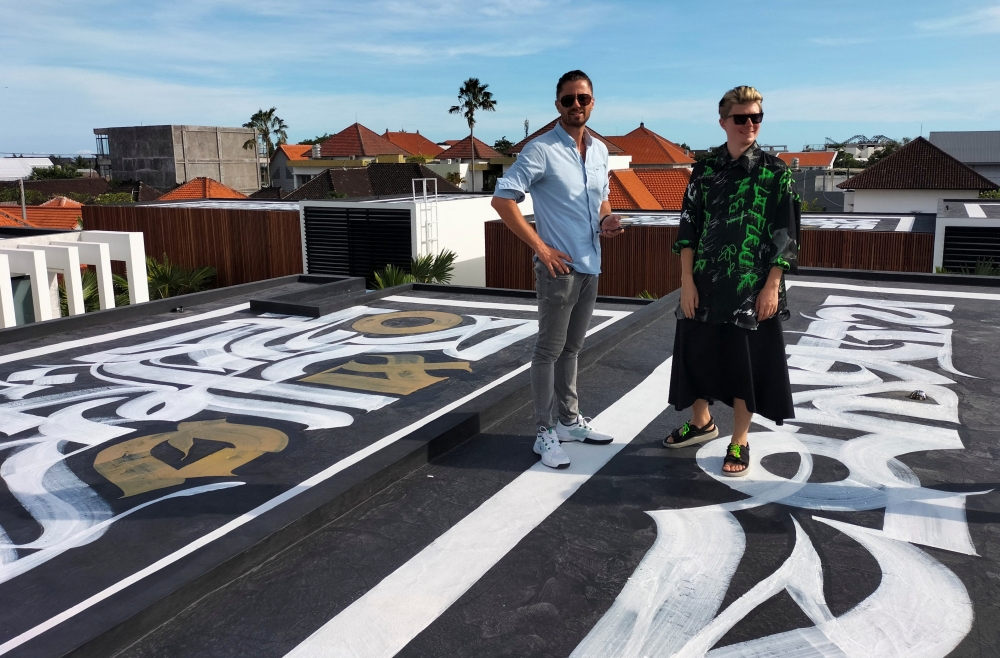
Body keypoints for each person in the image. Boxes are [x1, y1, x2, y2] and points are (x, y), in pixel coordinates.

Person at [663, 85, 798, 477]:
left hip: (751, 289)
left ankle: (740, 440)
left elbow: (786, 234)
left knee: (745, 365)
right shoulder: (704, 171)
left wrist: (772, 285)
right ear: (723, 122)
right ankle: (702, 422)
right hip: (704, 284)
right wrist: (686, 281)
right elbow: (688, 226)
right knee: (696, 355)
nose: (749, 124)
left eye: (756, 117)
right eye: (741, 118)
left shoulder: (776, 173)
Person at [491, 70, 624, 469]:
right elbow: (502, 200)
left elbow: (601, 200)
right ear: (558, 106)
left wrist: (608, 220)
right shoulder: (540, 149)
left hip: (591, 265)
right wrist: (541, 247)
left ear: (593, 102)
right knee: (548, 350)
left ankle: (569, 421)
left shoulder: (600, 151)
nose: (576, 106)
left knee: (573, 348)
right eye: (568, 100)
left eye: (583, 98)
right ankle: (544, 432)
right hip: (559, 270)